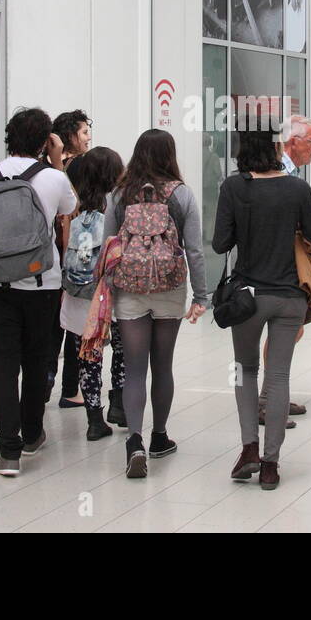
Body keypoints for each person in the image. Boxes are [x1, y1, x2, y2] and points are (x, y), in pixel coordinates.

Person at [0, 108, 75, 477]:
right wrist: (56, 160)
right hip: (43, 286)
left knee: (5, 365)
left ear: (8, 138)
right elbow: (69, 211)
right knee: (38, 361)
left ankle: (8, 452)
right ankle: (32, 435)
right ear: (44, 140)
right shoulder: (54, 179)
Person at [213, 125, 311, 491]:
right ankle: (272, 465)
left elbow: (220, 243)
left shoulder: (233, 187)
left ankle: (249, 450)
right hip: (290, 296)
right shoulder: (298, 188)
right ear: (276, 148)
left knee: (245, 371)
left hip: (247, 296)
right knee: (278, 376)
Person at [103, 130, 208, 479]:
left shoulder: (119, 195)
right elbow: (193, 249)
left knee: (134, 368)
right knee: (162, 366)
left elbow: (109, 247)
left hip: (130, 288)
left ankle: (135, 441)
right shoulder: (182, 194)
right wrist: (201, 296)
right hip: (169, 287)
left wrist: (102, 293)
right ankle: (160, 437)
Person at [60, 148, 127, 440]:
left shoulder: (75, 212)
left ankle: (94, 420)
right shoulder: (118, 209)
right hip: (111, 296)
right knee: (123, 351)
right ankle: (119, 404)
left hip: (78, 295)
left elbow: (65, 253)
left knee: (88, 357)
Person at [264, 114, 311, 426]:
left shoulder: (291, 173)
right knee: (287, 330)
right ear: (292, 142)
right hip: (280, 268)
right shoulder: (283, 175)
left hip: (280, 265)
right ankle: (269, 401)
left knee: (290, 330)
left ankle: (271, 397)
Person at [49, 109, 93, 407]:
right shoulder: (80, 166)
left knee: (54, 325)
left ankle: (48, 384)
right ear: (70, 137)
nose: (89, 137)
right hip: (73, 252)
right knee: (75, 324)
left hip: (47, 255)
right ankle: (69, 389)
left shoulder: (43, 168)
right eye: (84, 132)